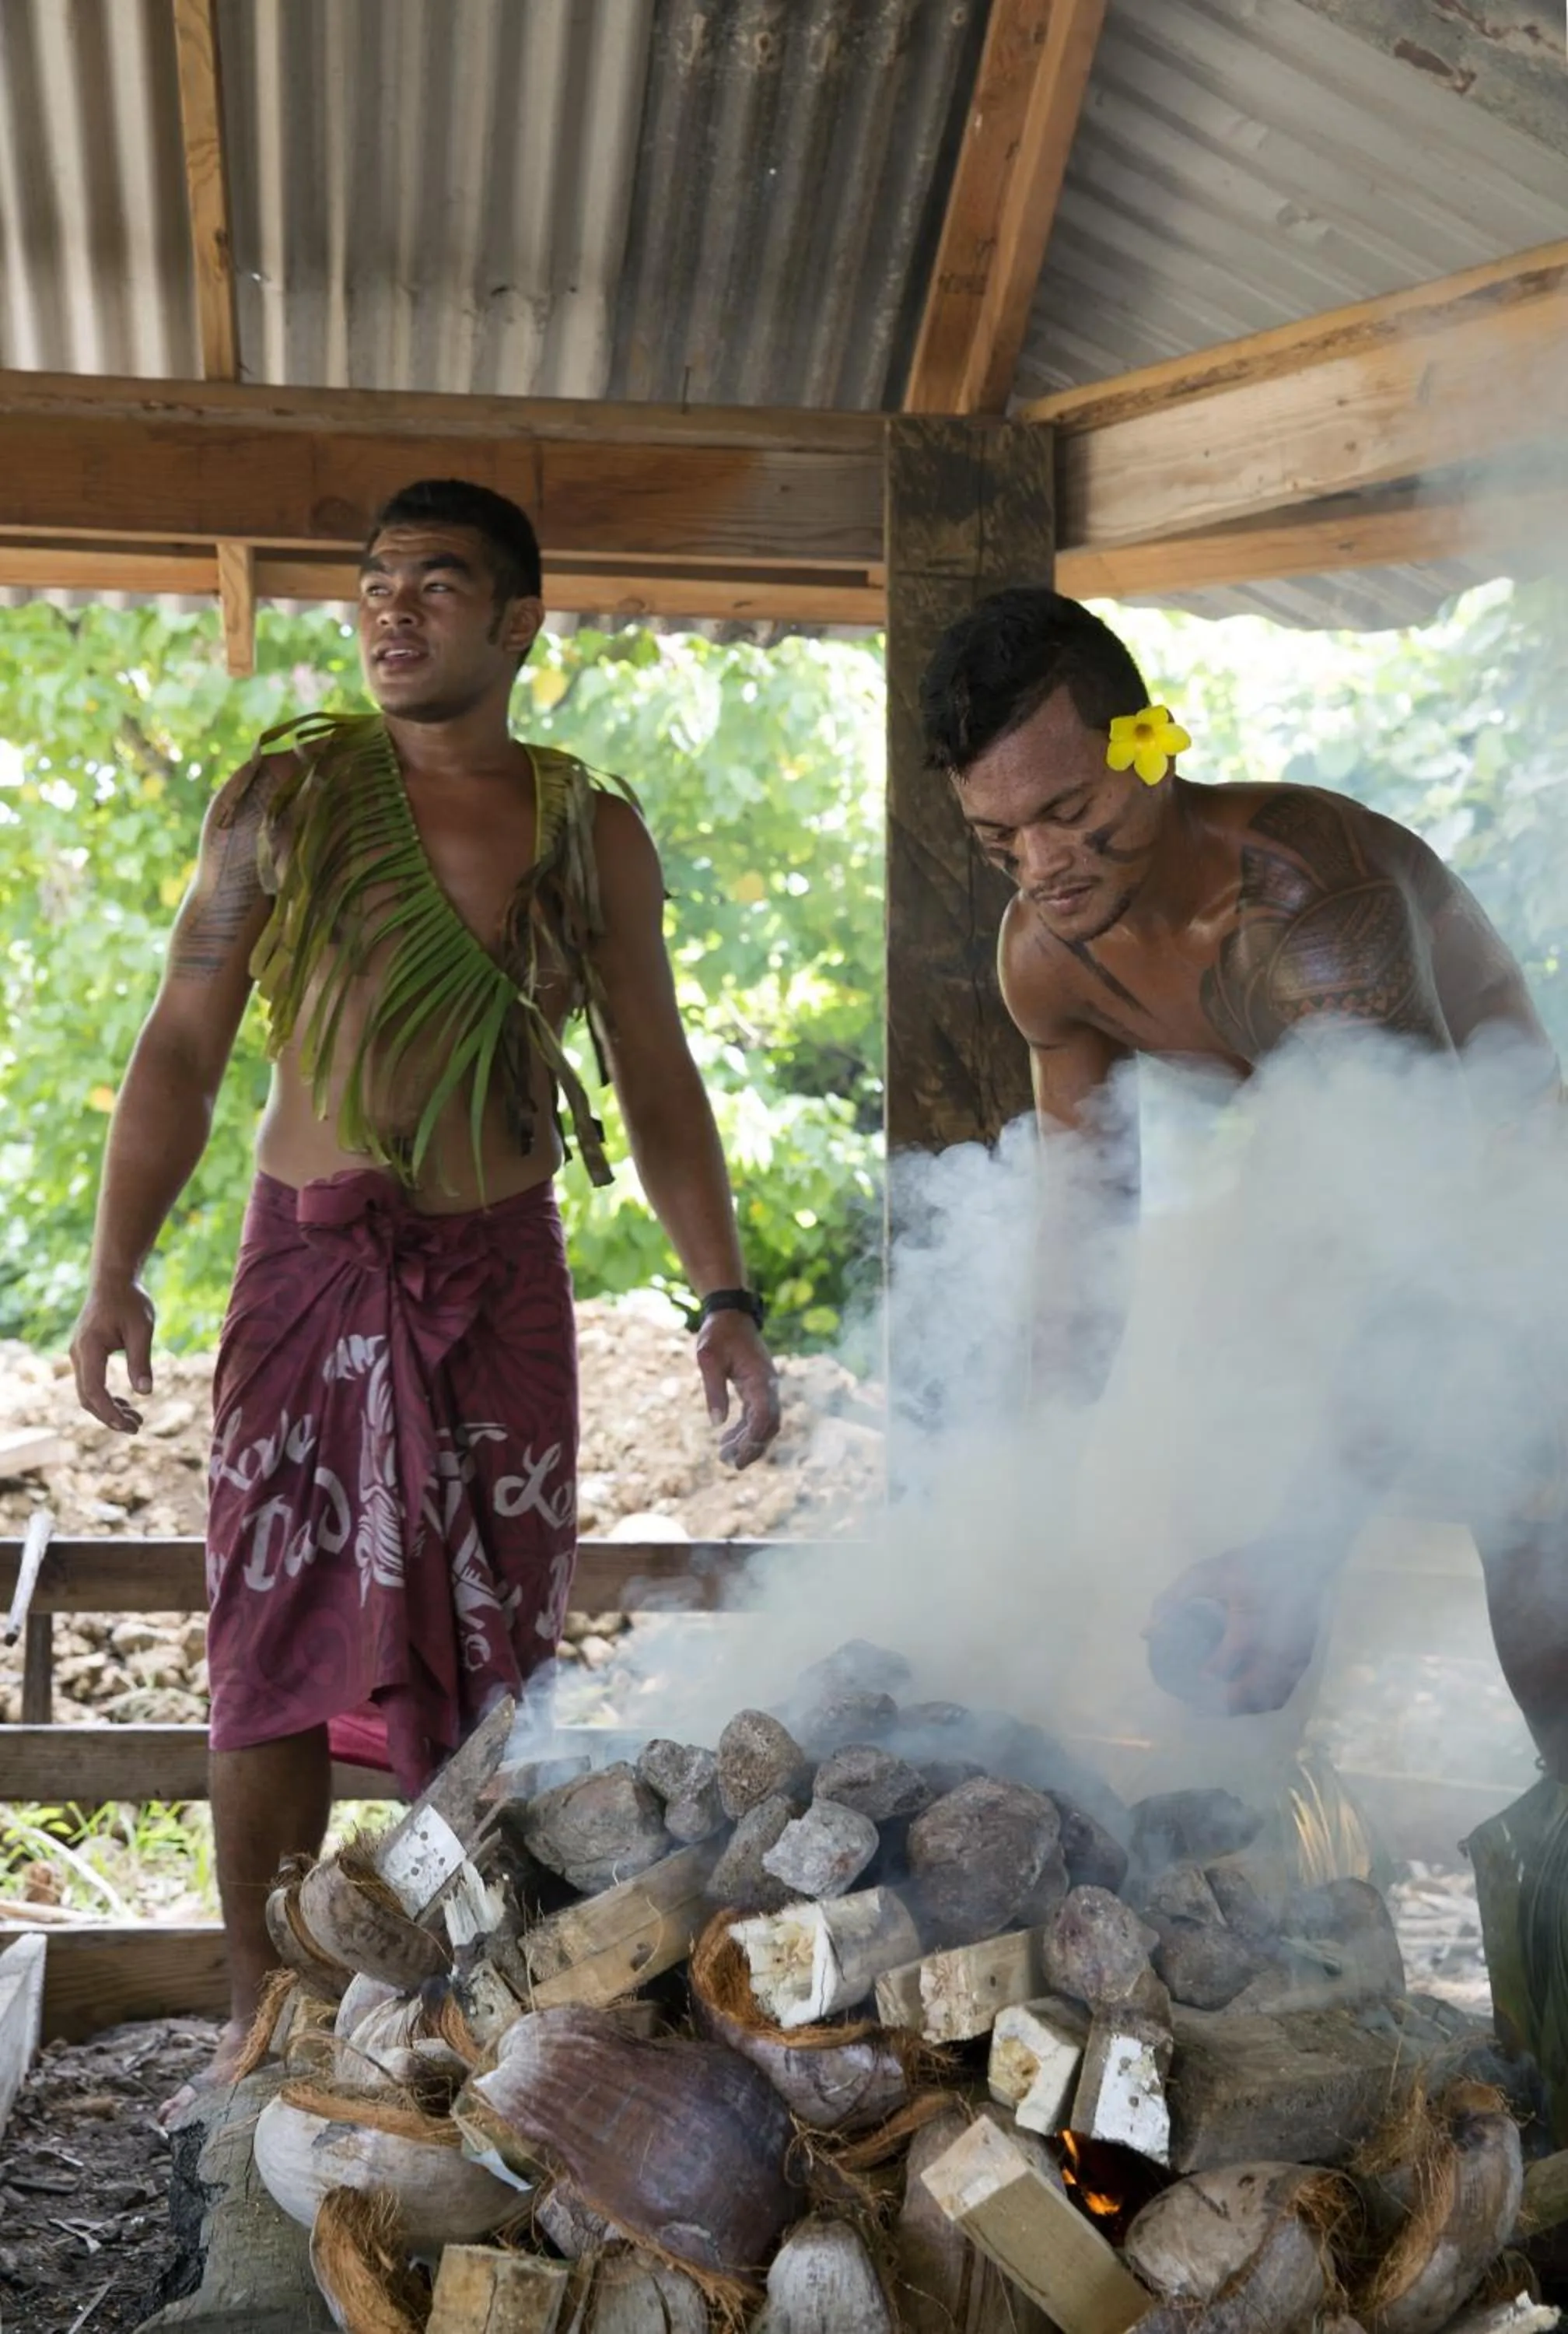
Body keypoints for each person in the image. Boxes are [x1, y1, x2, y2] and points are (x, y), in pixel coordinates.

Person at [68, 478, 780, 2096]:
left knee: (492, 1646)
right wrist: (115, 1274)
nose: (390, 609)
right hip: (310, 1268)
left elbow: (657, 1082)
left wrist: (722, 1298)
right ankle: (262, 2019)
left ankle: (457, 2011)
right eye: (376, 582)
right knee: (267, 1637)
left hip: (501, 1283)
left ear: (520, 623)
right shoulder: (284, 802)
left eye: (437, 585)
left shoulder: (592, 833)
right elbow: (180, 1047)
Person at [919, 585, 1567, 1778]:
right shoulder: (1045, 960)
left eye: (1068, 813)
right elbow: (1082, 1230)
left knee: (1548, 1597)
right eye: (998, 839)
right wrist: (1024, 1498)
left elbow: (1425, 1238)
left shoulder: (1308, 902)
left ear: (1151, 748)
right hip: (1327, 1235)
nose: (1042, 867)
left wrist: (1298, 1548)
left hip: (1522, 1228)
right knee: (1203, 1556)